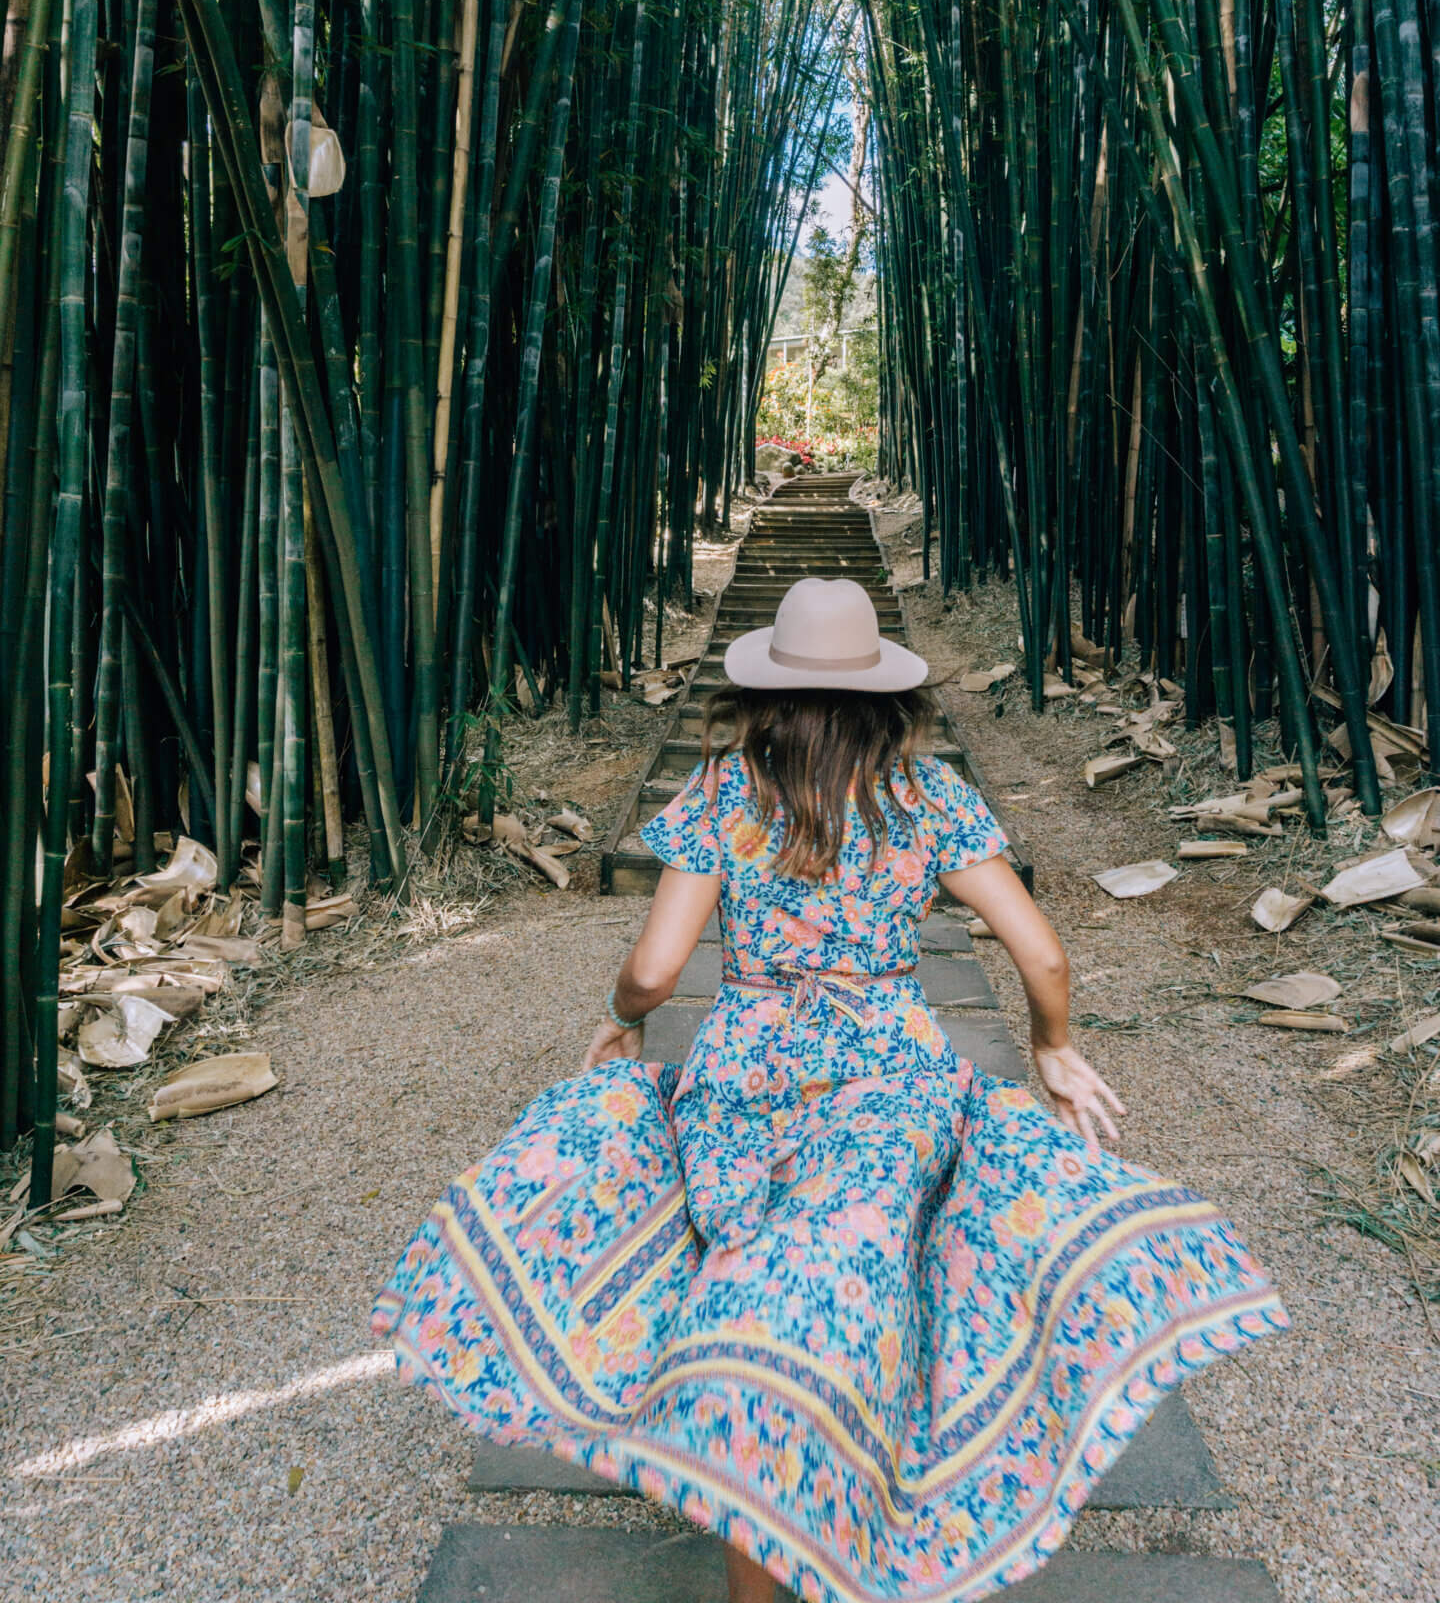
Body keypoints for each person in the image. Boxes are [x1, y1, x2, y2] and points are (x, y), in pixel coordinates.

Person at [374, 577, 1286, 1602]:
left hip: (742, 1081)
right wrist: (1052, 1048)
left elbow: (657, 968)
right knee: (852, 1296)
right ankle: (871, 1508)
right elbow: (1041, 950)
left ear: (766, 696)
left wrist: (626, 1019)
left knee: (763, 1305)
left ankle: (755, 1515)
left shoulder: (724, 792)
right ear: (887, 701)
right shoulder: (927, 795)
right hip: (894, 1078)